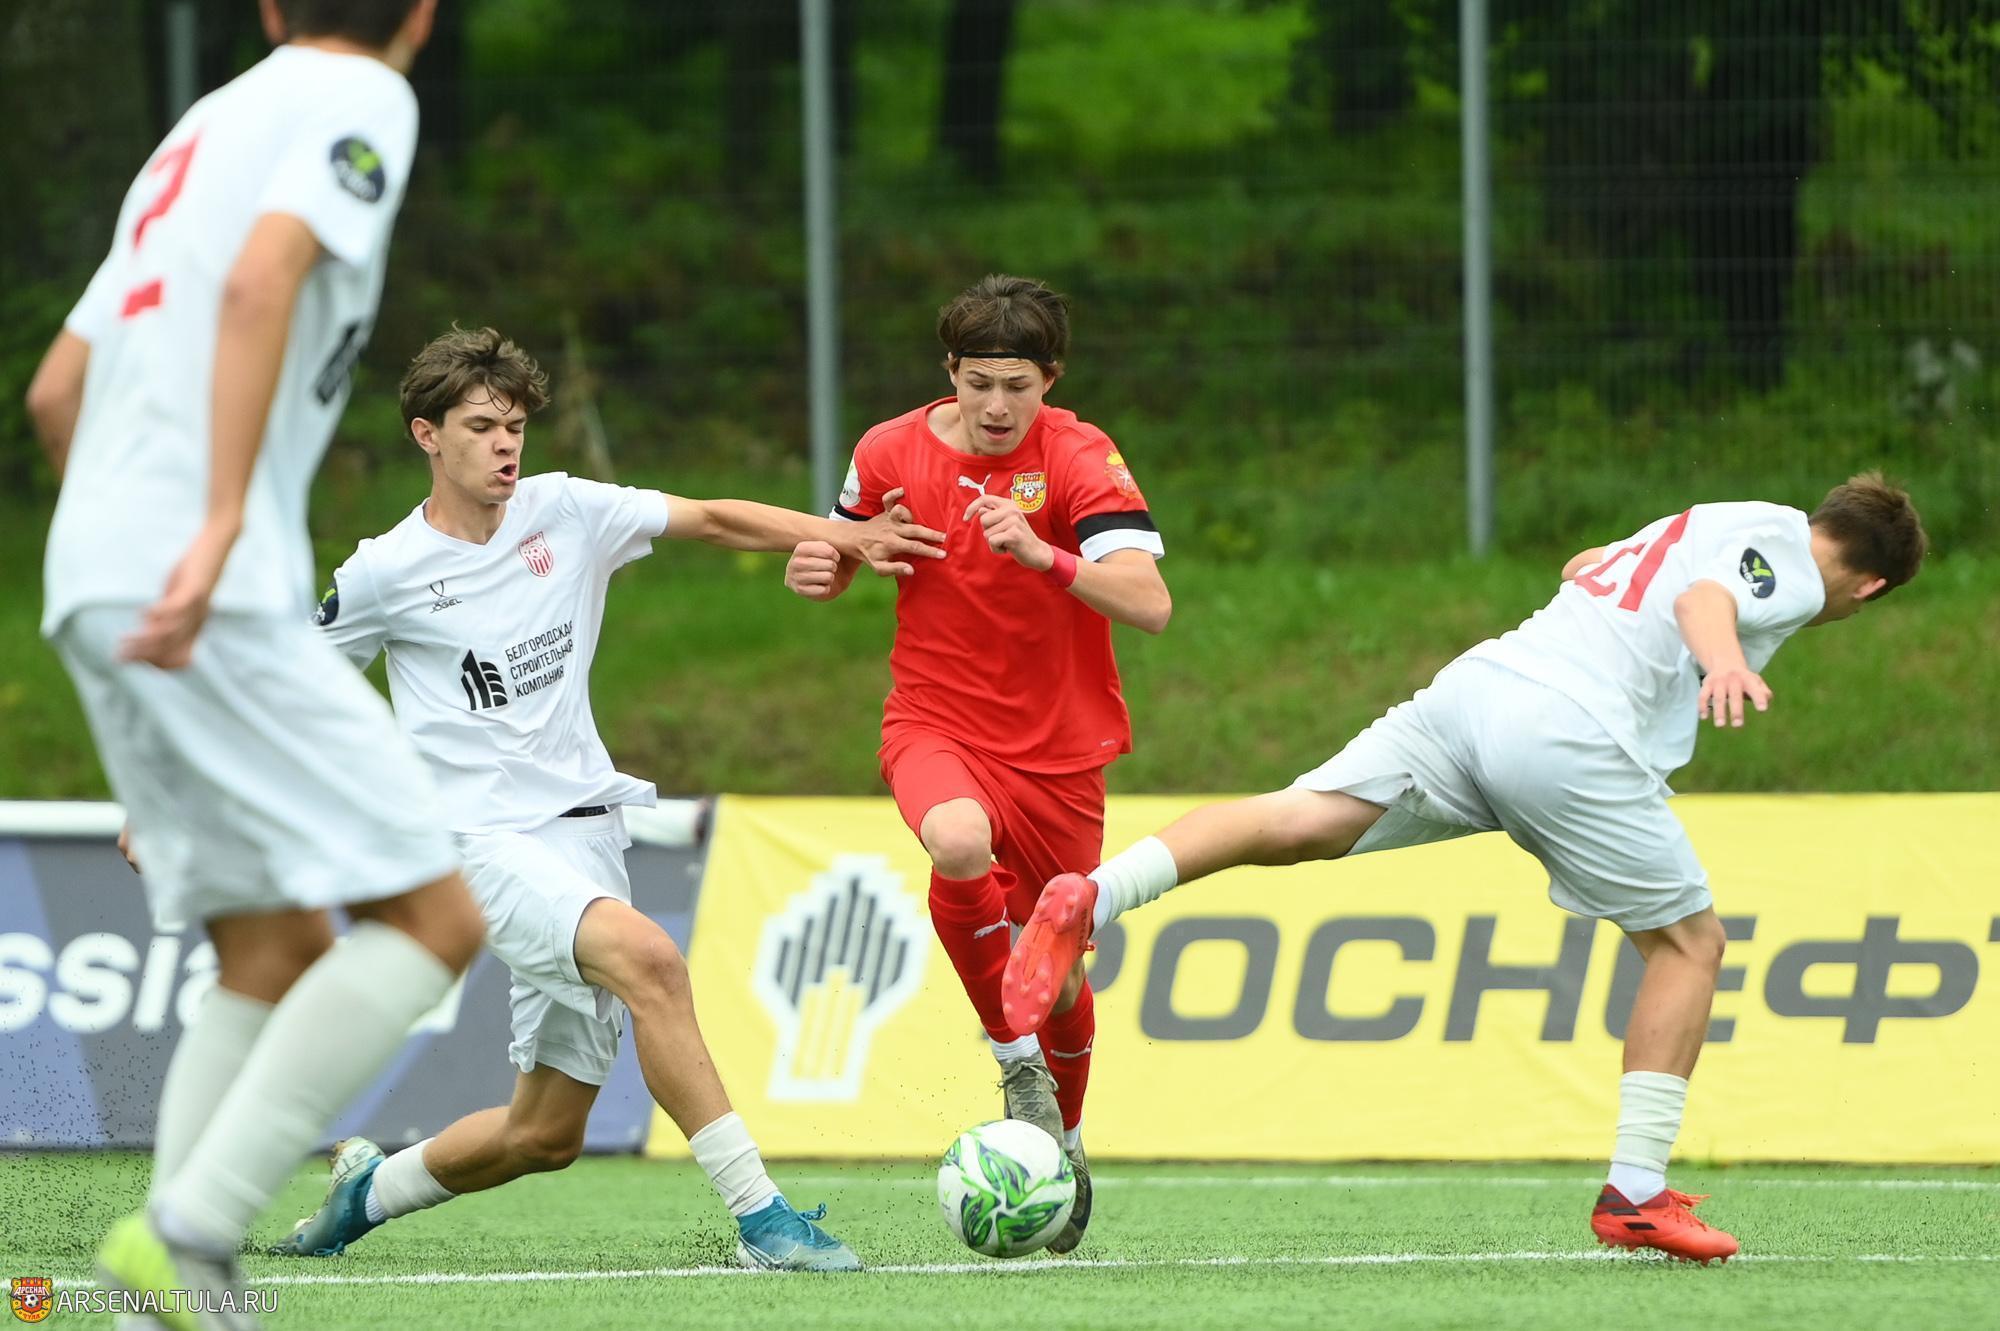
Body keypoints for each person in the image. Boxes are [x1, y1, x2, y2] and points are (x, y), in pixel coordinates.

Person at [1004, 475, 1928, 1265]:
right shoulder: (1797, 569)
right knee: (1691, 945)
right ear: (1871, 584)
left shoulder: (1721, 516)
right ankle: (1638, 1191)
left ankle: (1095, 894)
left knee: (1301, 818)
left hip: (1484, 687)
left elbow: (1586, 566)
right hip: (1570, 734)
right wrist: (1723, 662)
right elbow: (1706, 604)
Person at [272, 326, 942, 1271]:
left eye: (514, 427)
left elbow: (712, 519)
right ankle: (764, 1218)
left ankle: (366, 1192)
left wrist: (845, 534)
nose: (505, 445)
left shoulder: (566, 510)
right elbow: (289, 691)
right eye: (480, 428)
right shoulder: (386, 569)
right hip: (475, 840)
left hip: (585, 837)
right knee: (651, 958)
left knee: (543, 1133)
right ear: (427, 435)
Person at [26, 1, 486, 1322]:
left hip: (94, 574)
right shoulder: (363, 96)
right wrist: (220, 516)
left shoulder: (202, 124)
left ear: (273, 8)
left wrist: (131, 536)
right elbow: (262, 276)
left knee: (271, 940)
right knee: (435, 919)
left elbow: (57, 391)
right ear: (420, 17)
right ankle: (191, 1226)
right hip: (208, 581)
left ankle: (166, 1294)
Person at [783, 274, 1172, 1252]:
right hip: (934, 719)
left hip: (1060, 753)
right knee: (956, 840)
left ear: (1052, 379)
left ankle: (1062, 1143)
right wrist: (825, 564)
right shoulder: (887, 448)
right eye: (978, 383)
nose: (997, 407)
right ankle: (1015, 1062)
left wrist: (1045, 556)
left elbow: (1149, 601)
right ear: (949, 371)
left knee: (1062, 977)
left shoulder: (1078, 456)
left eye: (1018, 386)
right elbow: (844, 543)